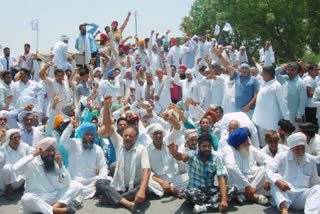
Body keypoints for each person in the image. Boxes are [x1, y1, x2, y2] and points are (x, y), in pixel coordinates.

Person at [95, 95, 151, 212]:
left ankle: (110, 199)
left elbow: (147, 170)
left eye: (130, 136)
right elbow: (108, 124)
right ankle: (127, 203)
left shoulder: (141, 149)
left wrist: (141, 191)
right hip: (119, 184)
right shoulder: (119, 143)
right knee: (100, 183)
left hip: (132, 186)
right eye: (125, 135)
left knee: (142, 188)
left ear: (136, 138)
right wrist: (106, 106)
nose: (127, 138)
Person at [13, 137, 83, 214]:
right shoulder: (31, 163)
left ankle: (54, 208)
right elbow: (15, 168)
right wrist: (33, 155)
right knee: (26, 198)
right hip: (37, 199)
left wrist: (60, 165)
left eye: (53, 150)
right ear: (41, 151)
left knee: (77, 185)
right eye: (48, 150)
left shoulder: (54, 163)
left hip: (53, 197)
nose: (51, 153)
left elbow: (67, 182)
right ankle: (54, 211)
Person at [168, 135, 230, 214]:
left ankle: (204, 207)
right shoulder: (193, 155)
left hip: (209, 190)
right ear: (199, 147)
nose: (207, 149)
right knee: (188, 193)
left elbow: (221, 179)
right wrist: (175, 153)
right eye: (204, 146)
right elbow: (182, 156)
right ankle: (214, 202)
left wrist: (224, 200)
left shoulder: (216, 159)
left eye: (209, 146)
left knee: (232, 189)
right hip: (195, 191)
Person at [265, 132, 320, 214]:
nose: (300, 152)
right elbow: (268, 170)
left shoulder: (311, 160)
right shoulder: (281, 156)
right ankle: (284, 210)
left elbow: (314, 182)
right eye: (297, 149)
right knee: (276, 179)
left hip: (301, 196)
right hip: (285, 193)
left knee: (318, 188)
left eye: (303, 148)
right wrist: (277, 182)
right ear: (291, 148)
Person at [60, 117, 108, 199]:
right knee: (75, 186)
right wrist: (71, 125)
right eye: (87, 134)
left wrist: (101, 179)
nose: (89, 136)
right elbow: (63, 140)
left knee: (110, 180)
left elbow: (103, 166)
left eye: (91, 135)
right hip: (76, 180)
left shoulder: (97, 148)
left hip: (92, 180)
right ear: (82, 135)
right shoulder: (74, 143)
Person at [223, 128, 272, 205]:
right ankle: (253, 196)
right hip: (238, 181)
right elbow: (231, 166)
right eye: (246, 143)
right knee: (225, 172)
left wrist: (267, 178)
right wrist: (246, 185)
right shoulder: (228, 149)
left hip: (253, 179)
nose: (249, 144)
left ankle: (244, 195)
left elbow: (268, 159)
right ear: (238, 145)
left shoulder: (249, 147)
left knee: (267, 170)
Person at [212, 47, 259, 118]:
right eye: (242, 68)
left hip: (249, 110)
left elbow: (257, 94)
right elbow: (227, 65)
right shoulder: (237, 76)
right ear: (240, 69)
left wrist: (248, 106)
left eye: (246, 68)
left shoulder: (254, 79)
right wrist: (220, 56)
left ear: (249, 70)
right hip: (237, 109)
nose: (244, 70)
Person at [252, 66, 290, 147]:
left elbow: (282, 103)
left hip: (271, 119)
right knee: (262, 141)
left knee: (272, 139)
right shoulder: (263, 83)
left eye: (263, 73)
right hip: (260, 117)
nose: (262, 74)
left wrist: (287, 119)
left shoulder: (276, 85)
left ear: (268, 74)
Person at [0, 129, 34, 200]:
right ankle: (9, 190)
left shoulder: (23, 146)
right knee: (7, 168)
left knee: (32, 162)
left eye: (19, 137)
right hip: (6, 182)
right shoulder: (3, 148)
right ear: (9, 139)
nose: (17, 140)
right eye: (15, 138)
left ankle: (24, 187)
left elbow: (34, 151)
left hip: (20, 179)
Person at [276, 62, 307, 129]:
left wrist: (299, 115)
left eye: (292, 70)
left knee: (292, 132)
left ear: (297, 71)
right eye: (288, 70)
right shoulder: (283, 79)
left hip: (293, 113)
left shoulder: (300, 83)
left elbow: (303, 100)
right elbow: (273, 75)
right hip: (282, 112)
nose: (289, 72)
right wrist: (281, 68)